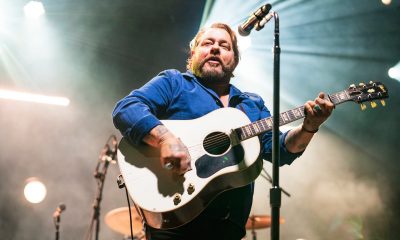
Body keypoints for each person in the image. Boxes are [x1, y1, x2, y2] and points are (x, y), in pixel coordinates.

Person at [112, 23, 334, 240]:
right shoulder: (174, 83)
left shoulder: (252, 104)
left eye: (225, 46)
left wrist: (309, 126)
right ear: (193, 53)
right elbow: (127, 108)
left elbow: (280, 150)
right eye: (207, 43)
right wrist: (165, 139)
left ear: (235, 60)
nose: (215, 48)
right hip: (175, 221)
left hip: (229, 228)